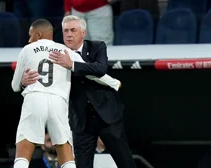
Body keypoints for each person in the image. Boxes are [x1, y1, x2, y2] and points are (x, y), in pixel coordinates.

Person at [21, 15, 136, 168]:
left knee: (125, 162)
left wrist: (72, 64)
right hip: (81, 121)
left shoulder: (97, 46)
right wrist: (24, 83)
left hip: (107, 116)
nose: (69, 34)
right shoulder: (56, 53)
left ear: (83, 33)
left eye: (73, 30)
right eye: (65, 31)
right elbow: (44, 82)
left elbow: (101, 69)